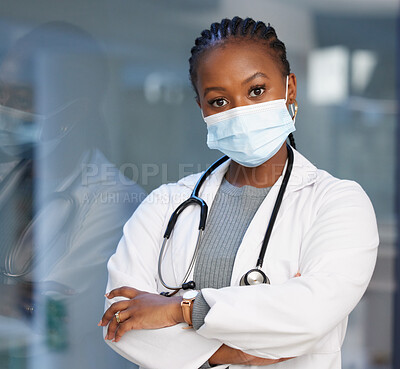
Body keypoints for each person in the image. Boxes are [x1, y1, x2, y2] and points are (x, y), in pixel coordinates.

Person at [99, 17, 379, 369]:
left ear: (290, 89)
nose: (240, 111)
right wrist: (234, 353)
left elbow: (310, 315)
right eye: (219, 101)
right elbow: (122, 321)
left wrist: (176, 309)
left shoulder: (338, 203)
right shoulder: (165, 204)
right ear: (202, 108)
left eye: (256, 90)